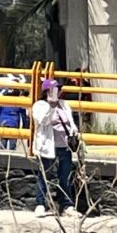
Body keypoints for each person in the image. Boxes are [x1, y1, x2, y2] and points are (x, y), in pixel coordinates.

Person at [29, 79, 84, 216]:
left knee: (65, 176)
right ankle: (40, 204)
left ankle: (67, 205)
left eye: (58, 89)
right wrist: (51, 106)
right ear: (46, 91)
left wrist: (74, 132)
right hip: (48, 146)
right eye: (54, 89)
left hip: (64, 145)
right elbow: (43, 121)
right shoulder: (39, 105)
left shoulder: (64, 104)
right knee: (44, 175)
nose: (57, 92)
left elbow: (70, 121)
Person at [0, 85, 26, 153]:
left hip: (3, 121)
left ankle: (2, 154)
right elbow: (23, 115)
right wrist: (25, 126)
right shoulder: (20, 102)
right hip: (14, 122)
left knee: (3, 139)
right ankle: (11, 155)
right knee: (13, 140)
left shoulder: (4, 101)